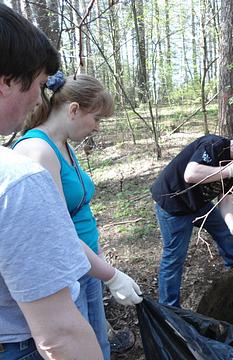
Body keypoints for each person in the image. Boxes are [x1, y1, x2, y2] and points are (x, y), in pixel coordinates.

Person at [13, 72, 142, 359]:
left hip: (87, 264)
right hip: (66, 272)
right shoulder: (37, 152)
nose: (97, 128)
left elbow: (76, 211)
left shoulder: (65, 146)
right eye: (96, 119)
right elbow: (59, 233)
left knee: (99, 344)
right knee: (81, 349)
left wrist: (100, 264)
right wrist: (112, 275)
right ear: (74, 110)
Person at [0, 4, 102, 359]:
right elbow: (58, 336)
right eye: (40, 84)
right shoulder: (19, 177)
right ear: (7, 81)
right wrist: (110, 274)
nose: (39, 97)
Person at [150, 133, 233, 307]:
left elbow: (225, 199)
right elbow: (191, 174)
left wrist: (232, 223)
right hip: (173, 205)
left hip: (198, 205)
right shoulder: (213, 145)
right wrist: (229, 170)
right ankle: (169, 307)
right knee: (174, 257)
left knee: (223, 231)